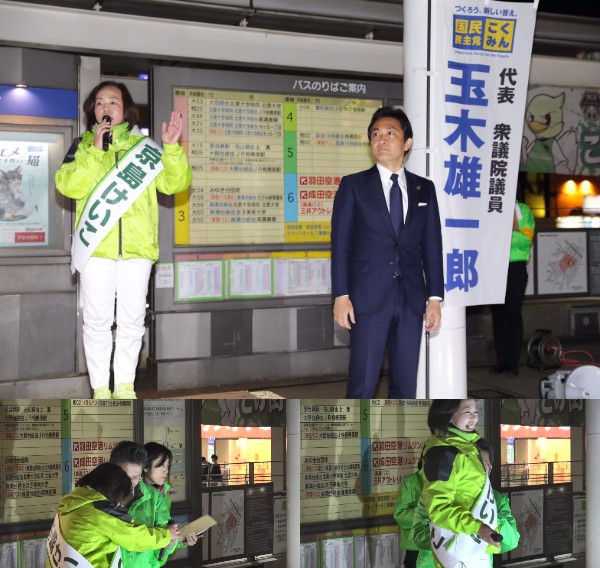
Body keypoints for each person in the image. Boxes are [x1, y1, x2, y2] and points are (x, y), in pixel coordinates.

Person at [55, 80, 192, 400]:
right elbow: (68, 186)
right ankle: (101, 389)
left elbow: (176, 184)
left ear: (125, 109)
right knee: (97, 322)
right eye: (100, 102)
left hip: (137, 249)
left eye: (113, 102)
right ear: (93, 110)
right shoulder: (83, 146)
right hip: (96, 249)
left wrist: (171, 149)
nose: (106, 108)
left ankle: (126, 387)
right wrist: (95, 152)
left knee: (131, 321)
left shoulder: (144, 149)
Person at [330, 106, 444, 398]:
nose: (381, 139)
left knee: (406, 384)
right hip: (367, 299)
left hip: (411, 299)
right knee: (363, 382)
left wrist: (434, 298)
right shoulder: (354, 186)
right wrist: (341, 296)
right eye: (375, 134)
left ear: (407, 143)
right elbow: (341, 244)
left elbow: (432, 245)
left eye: (390, 133)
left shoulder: (424, 189)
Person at [46, 462, 178, 568]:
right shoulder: (101, 511)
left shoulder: (75, 499)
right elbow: (135, 536)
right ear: (114, 490)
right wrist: (166, 535)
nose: (119, 504)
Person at [412, 437, 519, 567]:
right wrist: (454, 537)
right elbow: (417, 534)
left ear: (489, 468)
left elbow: (511, 541)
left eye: (481, 463)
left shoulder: (497, 500)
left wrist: (491, 520)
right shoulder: (436, 493)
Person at [420, 400, 500, 567]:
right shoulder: (442, 452)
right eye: (467, 412)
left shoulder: (470, 447)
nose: (474, 418)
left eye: (476, 412)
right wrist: (477, 528)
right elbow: (439, 507)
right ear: (449, 416)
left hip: (474, 543)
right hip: (457, 546)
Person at [120, 442, 198, 567]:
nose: (166, 470)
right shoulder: (130, 493)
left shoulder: (163, 496)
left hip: (153, 562)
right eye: (160, 465)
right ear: (144, 466)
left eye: (168, 465)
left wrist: (182, 539)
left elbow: (164, 532)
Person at [489, 191, 535, 376]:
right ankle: (501, 362)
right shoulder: (492, 206)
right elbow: (490, 239)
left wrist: (505, 235)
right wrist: (511, 233)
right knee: (498, 314)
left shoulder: (523, 210)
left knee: (513, 313)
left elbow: (526, 240)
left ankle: (513, 364)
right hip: (494, 267)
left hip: (516, 268)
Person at [393, 458, 423, 568]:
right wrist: (425, 515)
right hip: (416, 548)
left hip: (443, 548)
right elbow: (400, 515)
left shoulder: (450, 481)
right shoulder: (410, 481)